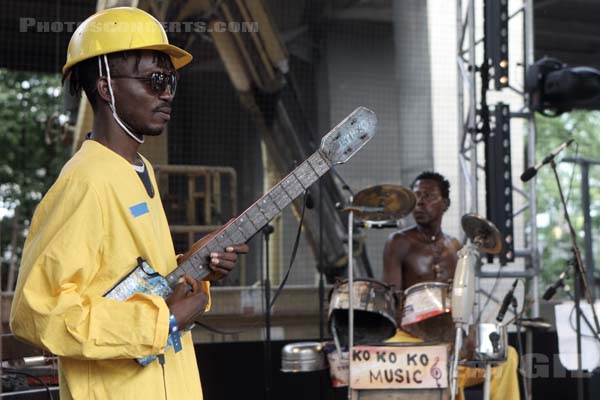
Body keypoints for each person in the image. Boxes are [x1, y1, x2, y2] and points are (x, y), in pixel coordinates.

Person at [10, 7, 248, 400]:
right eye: (155, 80)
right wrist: (163, 319)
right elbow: (38, 313)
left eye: (170, 80)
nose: (167, 92)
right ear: (106, 87)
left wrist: (192, 266)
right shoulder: (86, 181)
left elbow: (132, 278)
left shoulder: (140, 170)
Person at [383, 171, 520, 400]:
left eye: (428, 196)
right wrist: (425, 335)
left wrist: (468, 335)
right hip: (411, 338)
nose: (420, 202)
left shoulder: (456, 247)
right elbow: (391, 301)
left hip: (451, 338)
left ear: (445, 204)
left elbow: (463, 301)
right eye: (416, 196)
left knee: (507, 356)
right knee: (394, 350)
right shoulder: (398, 242)